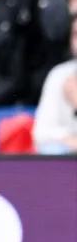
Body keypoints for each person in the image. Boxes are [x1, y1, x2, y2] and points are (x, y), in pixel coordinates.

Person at [33, 15, 77, 153]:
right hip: (64, 159)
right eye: (76, 35)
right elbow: (41, 135)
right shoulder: (59, 75)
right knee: (52, 150)